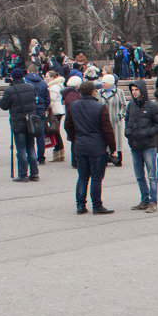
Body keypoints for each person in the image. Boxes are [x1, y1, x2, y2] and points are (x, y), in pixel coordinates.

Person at [64, 79, 116, 214]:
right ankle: (97, 205)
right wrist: (113, 147)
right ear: (94, 92)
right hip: (97, 146)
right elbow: (107, 129)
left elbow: (67, 125)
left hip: (80, 145)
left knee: (82, 177)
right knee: (96, 178)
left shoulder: (74, 106)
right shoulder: (100, 107)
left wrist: (75, 138)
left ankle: (80, 205)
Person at [125, 79, 158, 212]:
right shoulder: (131, 105)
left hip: (148, 145)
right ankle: (144, 199)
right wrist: (128, 132)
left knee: (152, 175)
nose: (134, 92)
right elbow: (127, 120)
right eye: (133, 90)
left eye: (136, 90)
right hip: (135, 145)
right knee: (139, 176)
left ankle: (153, 201)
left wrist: (149, 132)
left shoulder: (152, 106)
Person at [0, 68, 39, 181]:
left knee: (21, 149)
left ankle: (22, 174)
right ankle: (34, 173)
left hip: (18, 122)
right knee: (31, 147)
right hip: (30, 121)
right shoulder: (31, 87)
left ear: (12, 77)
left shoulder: (10, 90)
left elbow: (4, 106)